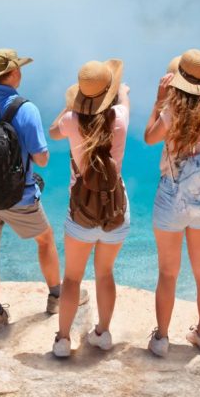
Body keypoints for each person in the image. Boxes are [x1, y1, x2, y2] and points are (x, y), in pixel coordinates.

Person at [0, 48, 86, 327]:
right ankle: (55, 297)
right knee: (45, 239)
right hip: (19, 196)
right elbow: (41, 158)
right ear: (15, 73)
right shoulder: (26, 108)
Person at [144, 48, 200, 356]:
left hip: (171, 195)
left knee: (168, 272)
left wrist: (158, 102)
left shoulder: (171, 112)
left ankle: (162, 339)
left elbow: (149, 137)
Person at [47, 59, 132, 358]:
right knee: (105, 273)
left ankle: (62, 340)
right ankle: (102, 333)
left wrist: (68, 104)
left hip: (80, 213)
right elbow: (124, 98)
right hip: (115, 211)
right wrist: (120, 91)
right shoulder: (120, 117)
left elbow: (53, 132)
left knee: (71, 278)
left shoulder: (71, 120)